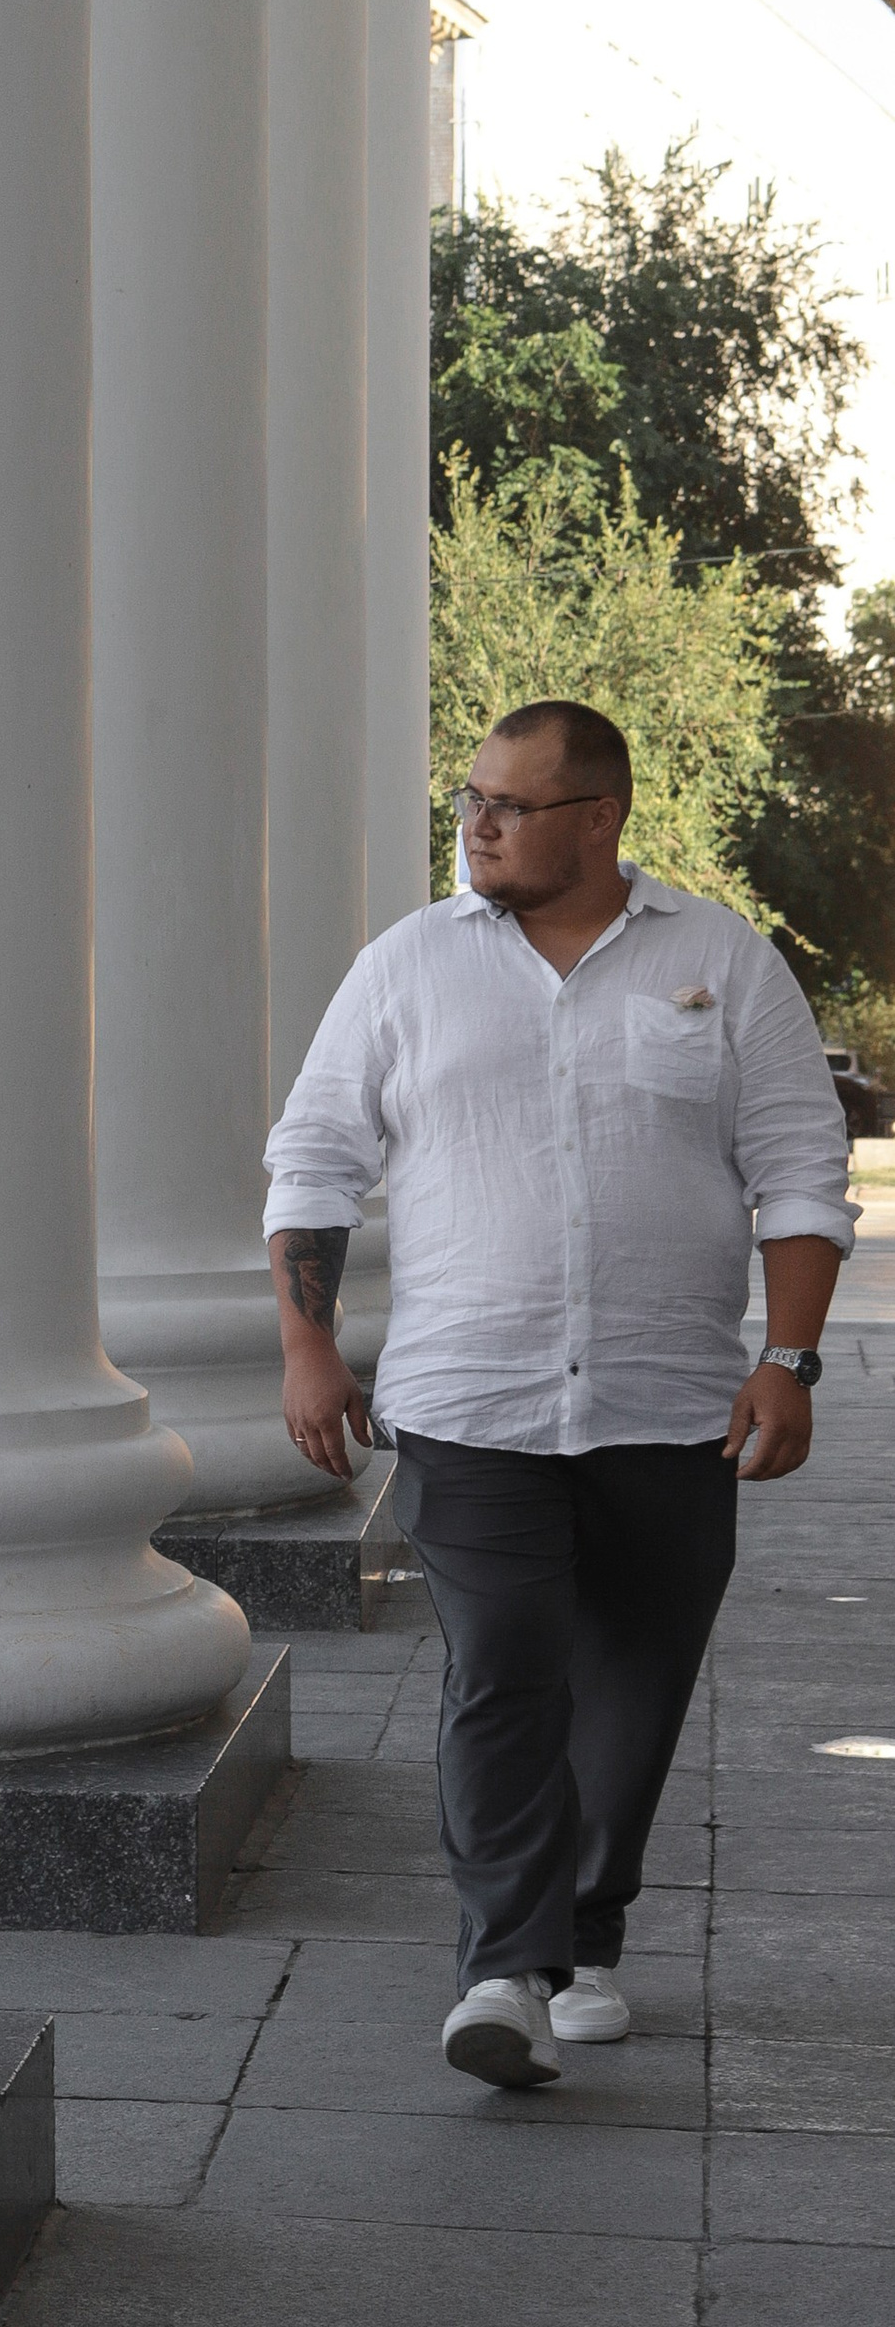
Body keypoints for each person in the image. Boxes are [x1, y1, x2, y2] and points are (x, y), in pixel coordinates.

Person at [261, 699, 851, 2091]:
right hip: (471, 1402)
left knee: (633, 1691)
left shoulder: (720, 959)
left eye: (512, 804)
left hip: (671, 1402)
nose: (477, 822)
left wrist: (792, 1358)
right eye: (471, 797)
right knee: (505, 1665)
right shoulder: (407, 965)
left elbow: (801, 1170)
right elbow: (316, 1158)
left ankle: (583, 1939)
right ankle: (500, 1969)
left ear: (599, 819)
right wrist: (308, 1344)